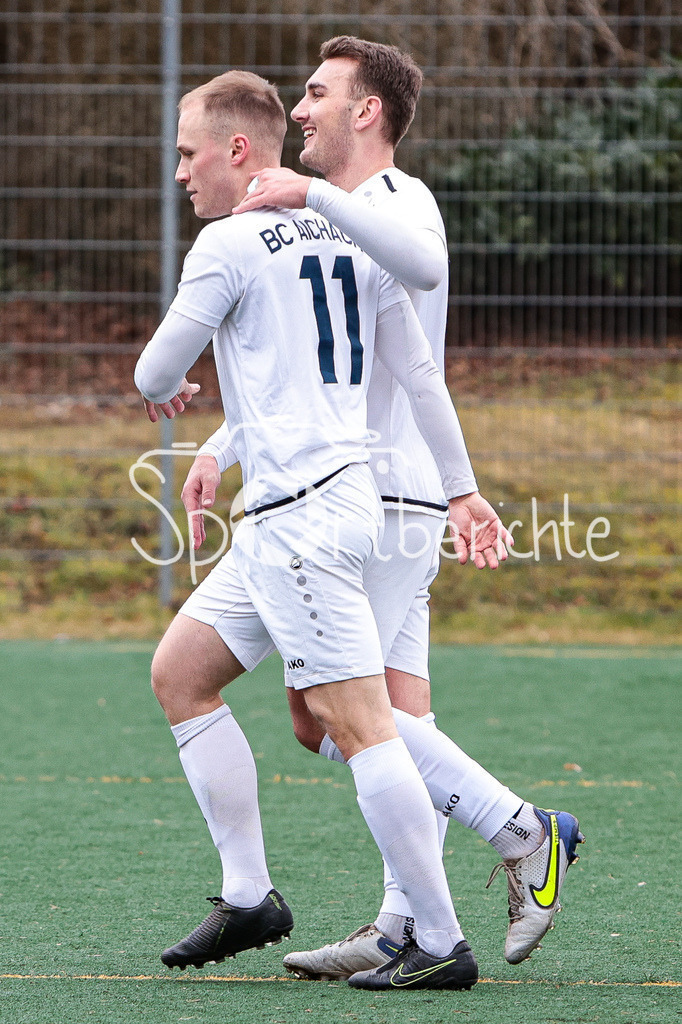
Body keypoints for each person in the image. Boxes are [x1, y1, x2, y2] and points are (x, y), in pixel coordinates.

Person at [177, 37, 584, 981]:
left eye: (319, 94)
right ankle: (407, 919)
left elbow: (419, 317)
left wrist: (457, 485)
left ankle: (518, 833)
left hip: (369, 500)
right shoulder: (334, 218)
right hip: (364, 494)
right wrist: (222, 443)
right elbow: (325, 374)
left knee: (338, 717)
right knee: (370, 715)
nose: (301, 108)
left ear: (368, 112)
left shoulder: (392, 203)